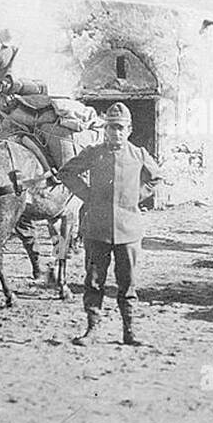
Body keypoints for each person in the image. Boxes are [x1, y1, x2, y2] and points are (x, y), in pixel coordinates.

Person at [56, 103, 162, 346]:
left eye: (120, 127)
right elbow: (67, 172)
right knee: (93, 282)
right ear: (105, 130)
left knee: (128, 284)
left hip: (128, 231)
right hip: (97, 229)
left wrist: (136, 195)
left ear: (129, 129)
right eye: (111, 127)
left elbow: (155, 178)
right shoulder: (94, 153)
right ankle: (92, 330)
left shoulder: (139, 154)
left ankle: (130, 331)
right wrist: (88, 195)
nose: (115, 132)